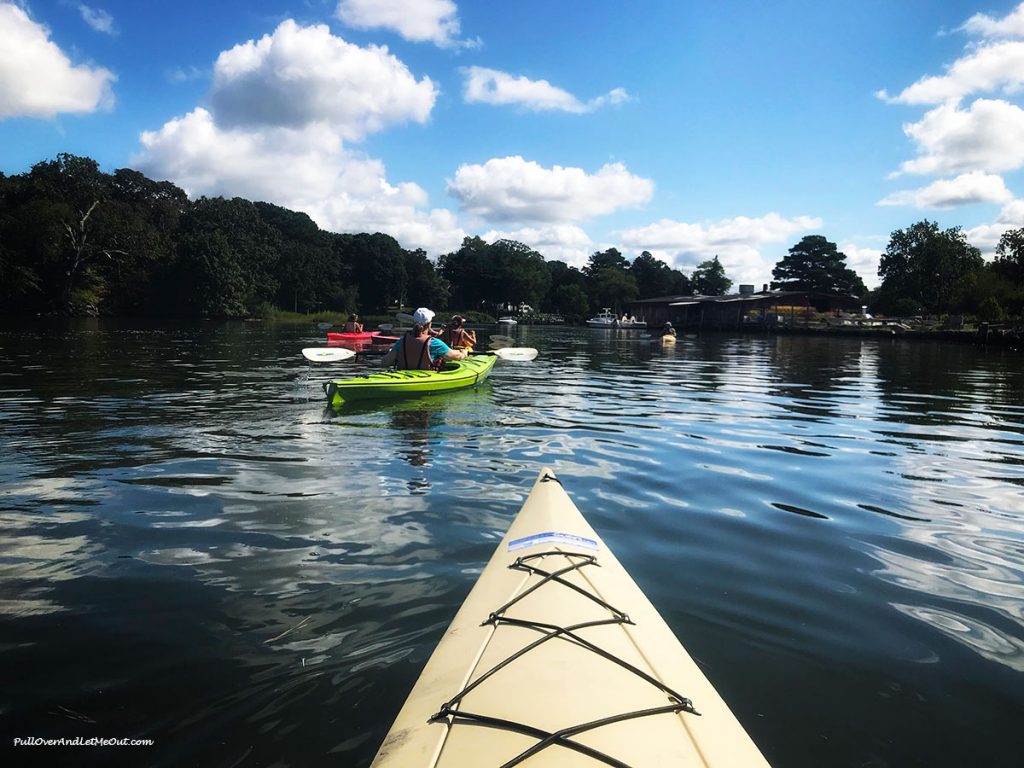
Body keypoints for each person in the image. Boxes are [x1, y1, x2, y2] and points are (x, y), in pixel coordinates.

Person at [382, 308, 468, 370]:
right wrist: (463, 353)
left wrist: (391, 352)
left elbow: (385, 363)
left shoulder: (401, 341)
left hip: (403, 376)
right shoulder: (434, 343)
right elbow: (455, 356)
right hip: (426, 378)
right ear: (429, 324)